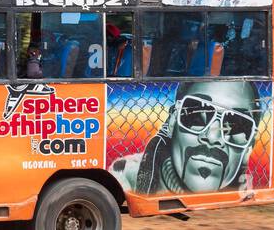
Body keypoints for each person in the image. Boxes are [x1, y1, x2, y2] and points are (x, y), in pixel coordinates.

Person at [110, 80, 264, 195]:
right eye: (196, 117)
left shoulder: (246, 196)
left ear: (249, 146)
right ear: (171, 122)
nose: (212, 138)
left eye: (236, 126)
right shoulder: (125, 176)